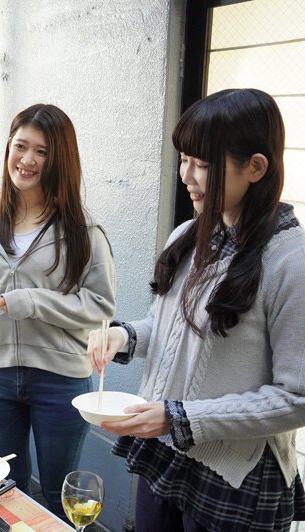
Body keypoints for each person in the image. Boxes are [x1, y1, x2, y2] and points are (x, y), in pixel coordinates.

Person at [87, 88, 305, 531]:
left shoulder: (291, 261)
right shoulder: (187, 236)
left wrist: (183, 416)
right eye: (184, 158)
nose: (186, 174)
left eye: (203, 164)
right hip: (167, 451)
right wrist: (124, 336)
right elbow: (169, 329)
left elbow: (297, 396)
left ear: (256, 167)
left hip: (237, 477)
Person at [0, 103, 116, 516]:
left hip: (61, 381)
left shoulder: (83, 229)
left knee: (58, 497)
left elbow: (100, 306)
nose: (27, 160)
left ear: (58, 160)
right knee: (5, 491)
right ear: (8, 147)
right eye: (20, 146)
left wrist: (28, 301)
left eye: (41, 152)